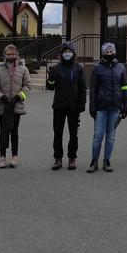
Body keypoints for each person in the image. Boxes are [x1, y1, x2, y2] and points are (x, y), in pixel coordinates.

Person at [87, 42, 127, 173]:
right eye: (107, 52)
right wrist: (92, 106)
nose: (109, 54)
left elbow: (125, 87)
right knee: (98, 136)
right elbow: (93, 89)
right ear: (103, 53)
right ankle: (94, 161)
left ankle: (107, 161)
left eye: (111, 51)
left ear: (115, 52)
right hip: (101, 107)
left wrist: (126, 104)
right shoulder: (97, 68)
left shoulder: (121, 67)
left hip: (115, 107)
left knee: (110, 137)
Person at [46, 42, 87, 170]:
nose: (67, 53)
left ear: (73, 53)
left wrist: (82, 103)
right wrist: (51, 77)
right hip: (59, 106)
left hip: (74, 107)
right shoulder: (56, 68)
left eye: (69, 51)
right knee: (58, 134)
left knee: (73, 134)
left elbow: (82, 88)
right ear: (62, 53)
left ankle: (72, 158)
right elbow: (50, 87)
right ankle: (58, 158)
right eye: (65, 51)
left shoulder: (78, 68)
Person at [0, 44, 31, 169]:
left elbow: (27, 85)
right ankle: (2, 157)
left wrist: (19, 96)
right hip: (3, 105)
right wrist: (1, 97)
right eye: (8, 54)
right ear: (4, 55)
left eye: (13, 54)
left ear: (17, 55)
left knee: (14, 131)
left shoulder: (23, 69)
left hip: (16, 105)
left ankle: (14, 156)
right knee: (3, 131)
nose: (10, 56)